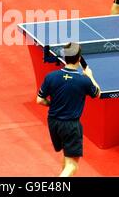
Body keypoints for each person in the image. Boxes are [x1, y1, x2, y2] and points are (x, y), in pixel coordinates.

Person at [36, 42, 101, 177]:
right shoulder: (83, 81)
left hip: (53, 122)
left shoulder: (51, 77)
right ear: (79, 59)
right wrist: (90, 75)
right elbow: (97, 93)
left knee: (67, 156)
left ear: (65, 57)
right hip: (70, 126)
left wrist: (53, 105)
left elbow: (40, 100)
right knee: (72, 165)